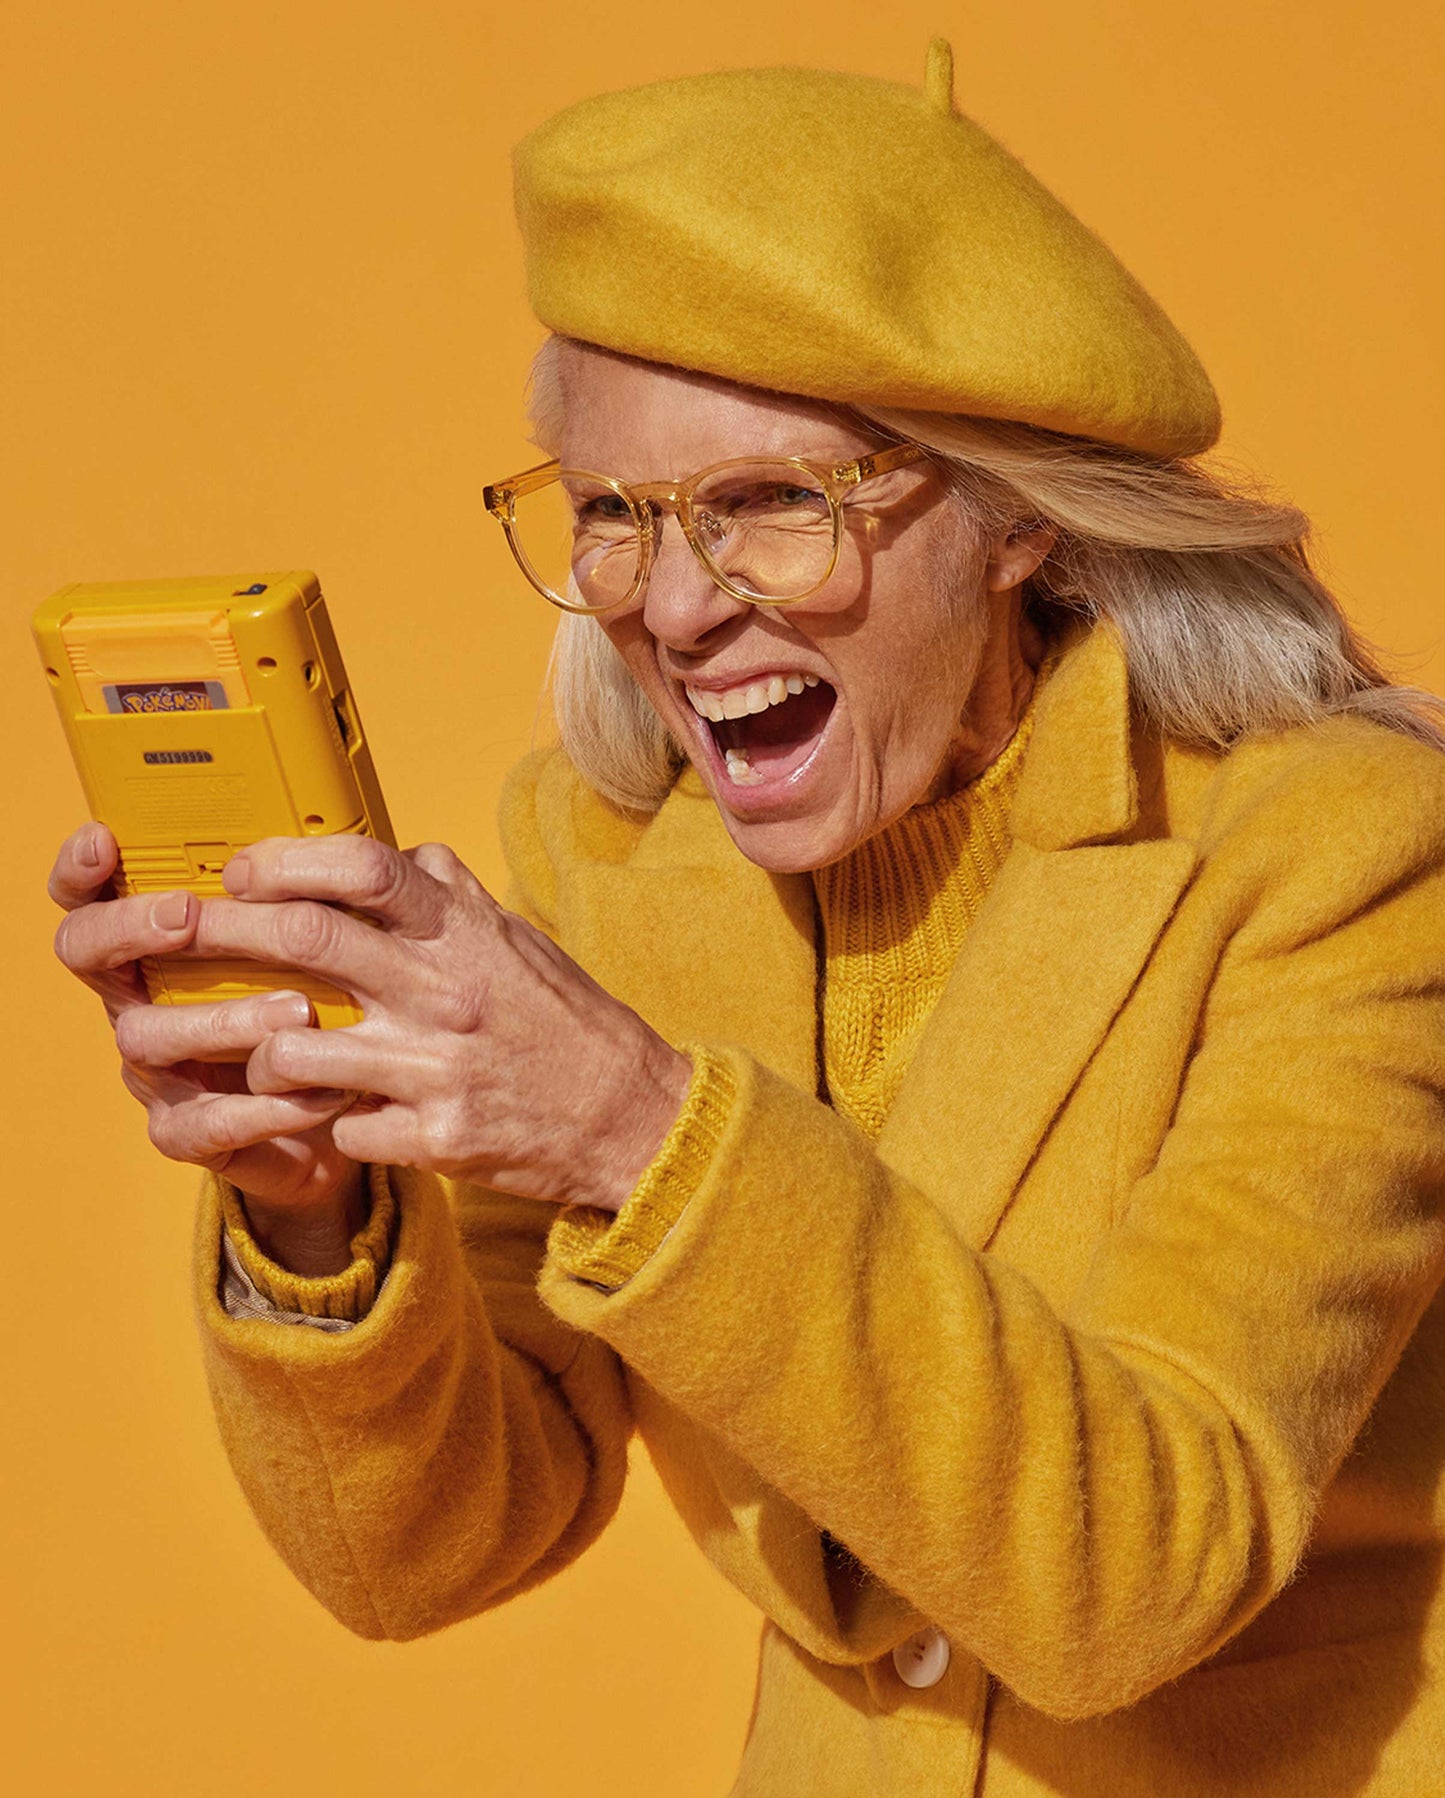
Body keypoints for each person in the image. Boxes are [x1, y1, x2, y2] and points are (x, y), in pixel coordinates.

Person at [47, 42, 1445, 1797]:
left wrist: (637, 1129)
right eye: (610, 514)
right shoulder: (609, 865)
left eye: (773, 503)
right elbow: (429, 1552)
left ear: (1015, 513)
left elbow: (1138, 1569)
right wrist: (309, 1200)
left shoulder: (1340, 855)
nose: (674, 604)